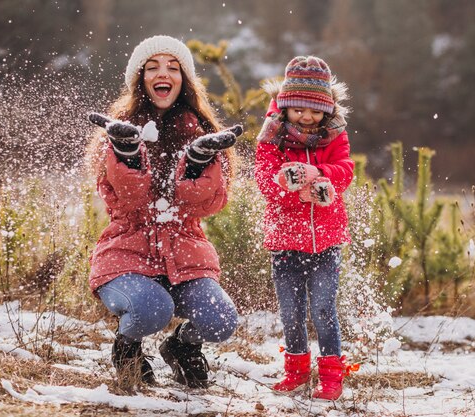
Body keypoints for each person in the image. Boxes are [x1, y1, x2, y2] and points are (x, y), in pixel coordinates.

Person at [85, 35, 241, 389]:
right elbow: (127, 201)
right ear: (140, 79)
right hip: (127, 256)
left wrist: (194, 166)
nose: (163, 73)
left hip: (185, 255)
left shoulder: (201, 132)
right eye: (152, 66)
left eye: (173, 67)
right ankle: (128, 348)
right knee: (153, 309)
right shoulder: (119, 130)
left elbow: (211, 203)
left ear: (184, 79)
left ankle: (183, 347)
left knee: (221, 319)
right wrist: (126, 154)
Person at [254, 56, 357, 400]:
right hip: (285, 241)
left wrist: (322, 178)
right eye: (299, 110)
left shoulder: (334, 134)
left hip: (326, 241)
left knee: (324, 308)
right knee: (291, 311)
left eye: (315, 111)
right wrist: (292, 186)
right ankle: (296, 372)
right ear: (285, 106)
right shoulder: (272, 135)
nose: (307, 117)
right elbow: (267, 182)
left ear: (326, 109)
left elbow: (345, 169)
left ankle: (331, 375)